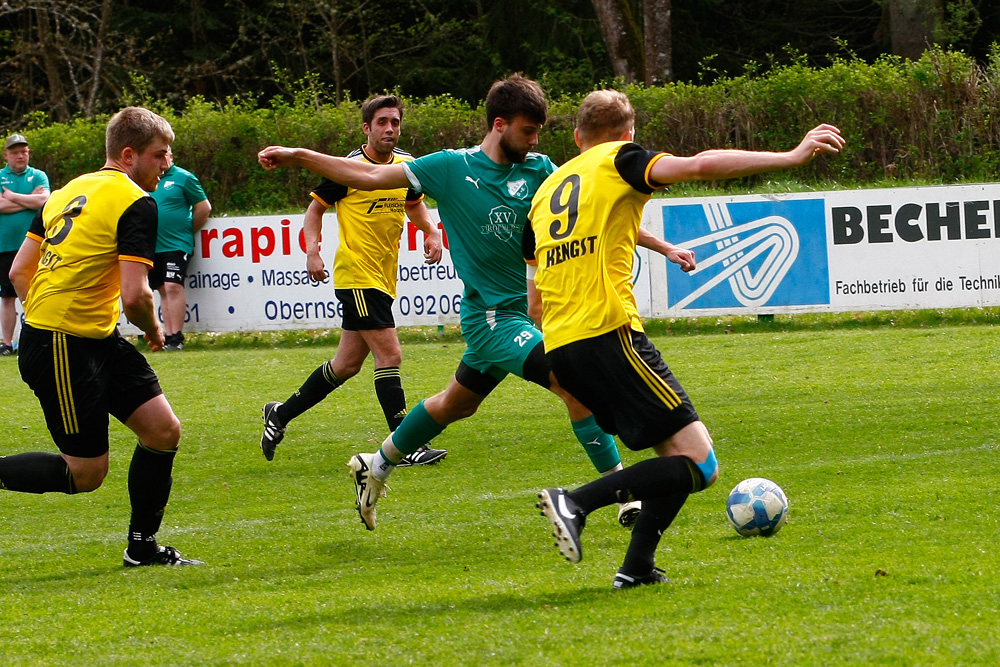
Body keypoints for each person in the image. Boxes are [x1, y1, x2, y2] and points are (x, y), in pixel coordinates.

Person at [259, 75, 693, 532]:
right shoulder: (450, 168)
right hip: (490, 317)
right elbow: (366, 174)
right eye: (528, 131)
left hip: (511, 319)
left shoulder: (541, 170)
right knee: (573, 382)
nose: (535, 140)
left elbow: (592, 215)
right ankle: (622, 492)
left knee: (452, 405)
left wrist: (662, 246)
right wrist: (297, 155)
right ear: (500, 124)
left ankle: (376, 463)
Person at [525, 90, 843, 588]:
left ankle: (636, 569)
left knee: (672, 457)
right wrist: (790, 155)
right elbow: (698, 166)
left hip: (561, 348)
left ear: (575, 137)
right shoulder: (622, 160)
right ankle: (576, 501)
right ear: (629, 134)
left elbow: (534, 301)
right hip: (609, 334)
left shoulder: (547, 193)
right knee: (701, 463)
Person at [0, 107, 202, 567]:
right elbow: (135, 296)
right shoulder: (136, 201)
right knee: (86, 473)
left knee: (163, 430)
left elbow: (19, 272)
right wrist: (154, 331)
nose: (166, 165)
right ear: (129, 155)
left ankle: (142, 548)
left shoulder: (68, 190)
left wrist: (52, 311)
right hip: (62, 346)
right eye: (159, 155)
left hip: (91, 337)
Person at [259, 94, 448, 467]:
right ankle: (405, 443)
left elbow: (414, 203)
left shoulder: (408, 166)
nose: (390, 128)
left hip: (383, 276)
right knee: (390, 354)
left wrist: (430, 231)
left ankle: (279, 415)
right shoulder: (347, 168)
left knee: (345, 365)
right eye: (382, 122)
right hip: (357, 275)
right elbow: (314, 211)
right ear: (367, 127)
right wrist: (312, 251)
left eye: (395, 122)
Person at [148, 149, 212, 351]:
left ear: (171, 156)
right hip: (152, 245)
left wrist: (186, 229)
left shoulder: (184, 177)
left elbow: (203, 207)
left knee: (172, 286)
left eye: (166, 155)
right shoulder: (147, 178)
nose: (163, 159)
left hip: (176, 244)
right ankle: (168, 336)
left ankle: (177, 337)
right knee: (162, 289)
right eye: (158, 156)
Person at [0, 134, 50, 356]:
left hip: (34, 245)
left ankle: (39, 338)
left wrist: (11, 197)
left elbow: (44, 201)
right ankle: (8, 343)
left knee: (38, 291)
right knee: (8, 296)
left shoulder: (38, 175)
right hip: (5, 245)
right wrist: (27, 199)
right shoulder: (0, 176)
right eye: (15, 152)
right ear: (6, 155)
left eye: (24, 151)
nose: (21, 155)